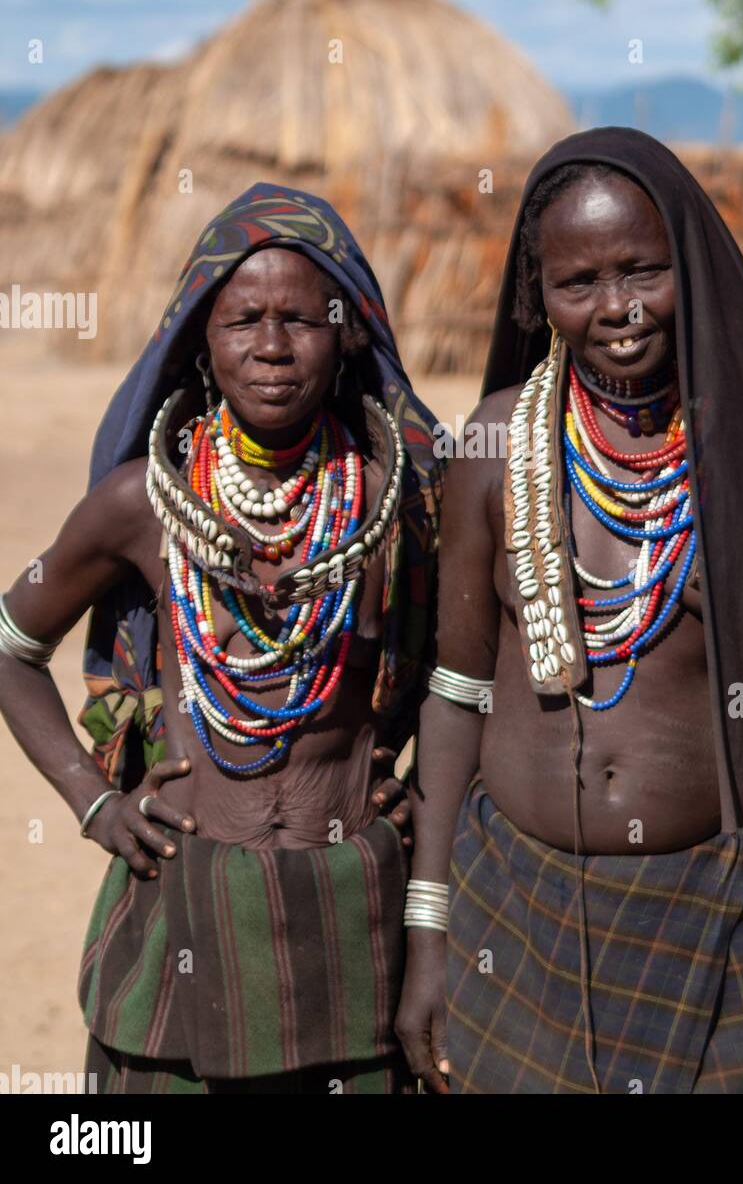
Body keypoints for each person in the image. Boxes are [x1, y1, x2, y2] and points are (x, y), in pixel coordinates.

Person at [395, 128, 743, 1095]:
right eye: (579, 283)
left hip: (725, 914)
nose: (616, 308)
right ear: (538, 297)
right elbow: (454, 692)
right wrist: (432, 934)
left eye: (643, 270)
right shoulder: (493, 443)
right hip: (513, 917)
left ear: (687, 262)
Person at [0, 184, 441, 1094]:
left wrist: (424, 795)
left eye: (301, 320)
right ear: (199, 340)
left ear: (349, 333)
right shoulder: (140, 504)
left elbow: (466, 677)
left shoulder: (399, 502)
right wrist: (96, 803)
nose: (272, 347)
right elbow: (10, 645)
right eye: (243, 320)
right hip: (181, 909)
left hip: (351, 908)